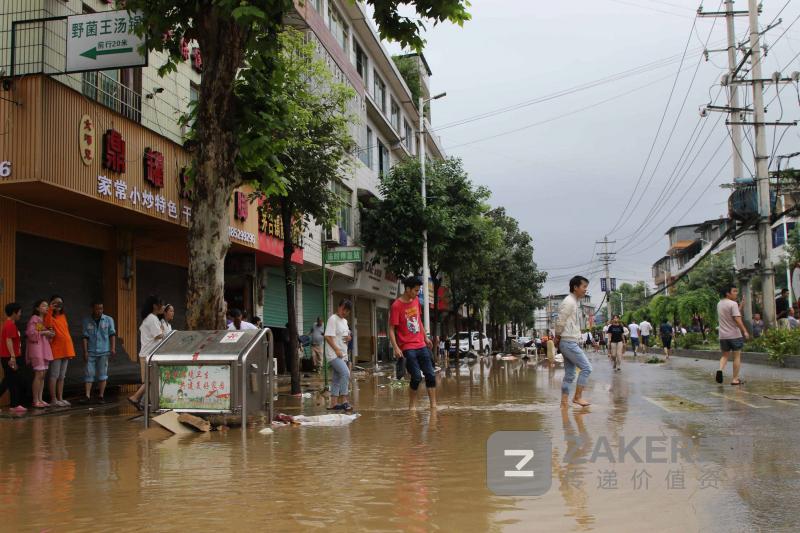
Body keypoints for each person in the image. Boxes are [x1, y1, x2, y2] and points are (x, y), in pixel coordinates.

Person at [388, 276, 437, 410]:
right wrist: (396, 347)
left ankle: (433, 406)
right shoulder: (396, 306)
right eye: (415, 290)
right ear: (408, 289)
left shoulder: (415, 300)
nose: (417, 293)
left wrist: (426, 338)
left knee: (431, 375)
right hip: (407, 347)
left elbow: (418, 321)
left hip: (421, 344)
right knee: (416, 377)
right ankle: (412, 405)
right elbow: (391, 329)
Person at [555, 276, 593, 408]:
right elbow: (560, 321)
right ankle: (577, 397)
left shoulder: (573, 302)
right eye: (584, 287)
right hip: (568, 342)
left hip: (569, 342)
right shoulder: (569, 302)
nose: (585, 290)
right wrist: (557, 337)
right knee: (587, 368)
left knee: (570, 374)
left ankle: (564, 403)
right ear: (575, 287)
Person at [129, 296, 165, 407]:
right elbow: (159, 335)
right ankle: (135, 397)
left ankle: (143, 402)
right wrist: (163, 330)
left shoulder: (151, 318)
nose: (163, 307)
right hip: (148, 354)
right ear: (155, 306)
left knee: (150, 379)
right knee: (149, 379)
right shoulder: (152, 318)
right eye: (161, 304)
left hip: (149, 353)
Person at [82, 302, 116, 403]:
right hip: (91, 351)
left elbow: (112, 334)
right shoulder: (86, 321)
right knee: (89, 373)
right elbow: (85, 337)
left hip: (104, 351)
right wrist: (85, 351)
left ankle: (101, 396)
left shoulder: (109, 320)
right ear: (92, 308)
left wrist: (113, 348)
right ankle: (87, 396)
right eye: (97, 309)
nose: (99, 311)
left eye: (101, 308)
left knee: (103, 374)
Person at [45, 295, 76, 407]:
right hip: (56, 349)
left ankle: (60, 398)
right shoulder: (49, 316)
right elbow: (48, 325)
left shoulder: (63, 316)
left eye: (60, 303)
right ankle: (53, 399)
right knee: (54, 375)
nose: (58, 305)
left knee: (62, 376)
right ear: (51, 304)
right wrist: (50, 309)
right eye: (55, 303)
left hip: (67, 349)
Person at [716, 285, 749, 385]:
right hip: (734, 335)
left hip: (723, 336)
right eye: (734, 291)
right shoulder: (733, 304)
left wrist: (741, 305)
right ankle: (735, 379)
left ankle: (720, 370)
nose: (736, 293)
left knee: (725, 355)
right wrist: (745, 331)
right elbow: (737, 319)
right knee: (736, 357)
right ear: (727, 293)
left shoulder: (719, 303)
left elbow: (733, 313)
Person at [325, 299, 353, 411]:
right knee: (346, 373)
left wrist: (349, 337)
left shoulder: (345, 321)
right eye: (343, 309)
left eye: (347, 311)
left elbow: (347, 334)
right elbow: (327, 336)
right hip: (334, 354)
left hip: (343, 354)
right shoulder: (333, 319)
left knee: (336, 378)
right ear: (339, 307)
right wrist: (336, 349)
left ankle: (334, 404)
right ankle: (345, 400)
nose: (344, 312)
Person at [27, 299, 55, 408]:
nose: (46, 308)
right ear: (37, 308)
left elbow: (40, 332)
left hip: (43, 348)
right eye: (43, 306)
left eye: (47, 306)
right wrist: (45, 332)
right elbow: (31, 334)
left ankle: (40, 398)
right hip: (37, 349)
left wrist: (49, 334)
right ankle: (35, 400)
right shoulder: (34, 318)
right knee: (39, 374)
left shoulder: (43, 320)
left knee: (43, 375)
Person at [1, 303, 26, 412]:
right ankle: (14, 405)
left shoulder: (10, 324)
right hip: (9, 357)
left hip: (10, 357)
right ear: (14, 313)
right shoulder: (10, 325)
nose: (21, 314)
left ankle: (14, 405)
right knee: (8, 381)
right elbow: (8, 340)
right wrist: (12, 357)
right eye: (19, 312)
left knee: (12, 381)